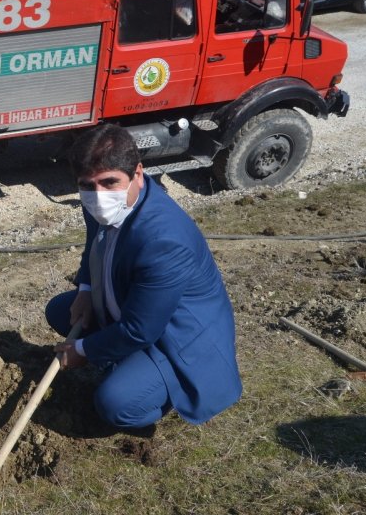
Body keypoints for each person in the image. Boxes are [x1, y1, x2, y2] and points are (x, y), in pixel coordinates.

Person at [47, 124, 241, 432]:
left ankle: (155, 388)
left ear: (138, 173)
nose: (98, 196)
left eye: (110, 182)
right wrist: (85, 288)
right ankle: (126, 359)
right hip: (134, 307)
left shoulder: (164, 240)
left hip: (176, 335)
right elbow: (92, 244)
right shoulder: (100, 203)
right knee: (61, 310)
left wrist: (84, 351)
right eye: (87, 185)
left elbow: (141, 329)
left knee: (114, 403)